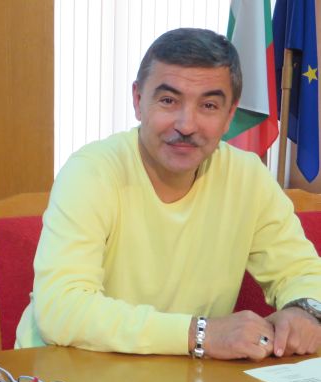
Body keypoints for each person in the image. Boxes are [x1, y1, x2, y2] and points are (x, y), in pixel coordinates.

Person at [16, 28, 321, 361]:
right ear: (138, 101)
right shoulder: (91, 171)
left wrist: (304, 311)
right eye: (168, 101)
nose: (186, 125)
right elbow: (61, 309)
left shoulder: (247, 176)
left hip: (183, 377)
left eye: (208, 105)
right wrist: (199, 333)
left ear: (230, 115)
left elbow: (302, 273)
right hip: (65, 374)